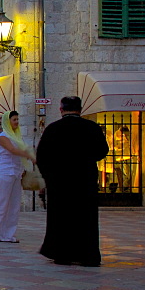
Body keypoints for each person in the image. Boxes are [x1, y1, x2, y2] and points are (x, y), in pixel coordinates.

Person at [36, 95, 110, 266]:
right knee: (86, 218)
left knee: (61, 217)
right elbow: (102, 151)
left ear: (61, 109)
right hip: (85, 179)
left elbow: (42, 156)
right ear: (80, 109)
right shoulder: (92, 127)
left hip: (59, 181)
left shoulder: (53, 129)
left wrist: (48, 177)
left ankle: (62, 254)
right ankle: (87, 255)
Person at [0, 110, 34, 243]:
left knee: (14, 205)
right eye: (14, 120)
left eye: (17, 120)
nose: (16, 122)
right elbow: (12, 150)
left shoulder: (17, 136)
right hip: (4, 173)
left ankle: (7, 234)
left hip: (15, 173)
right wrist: (28, 155)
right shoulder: (2, 137)